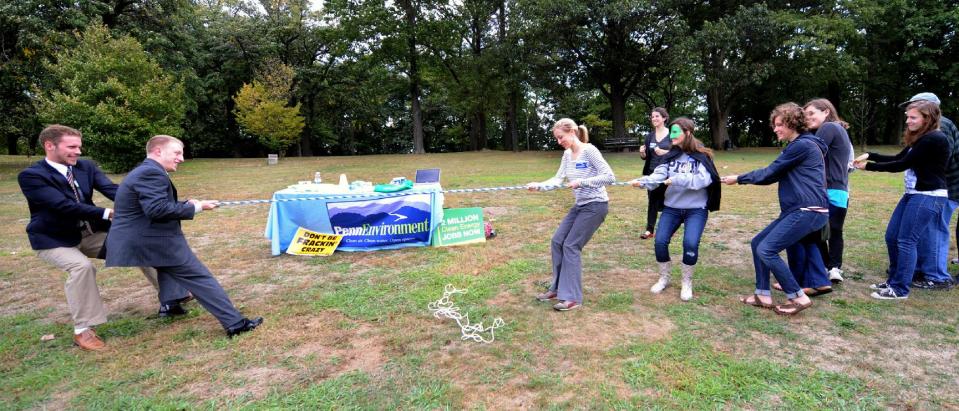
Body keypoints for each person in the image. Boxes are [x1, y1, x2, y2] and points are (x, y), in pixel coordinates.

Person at [17, 125, 188, 351]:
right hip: (53, 239)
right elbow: (61, 206)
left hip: (90, 233)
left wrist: (148, 200)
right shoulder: (31, 176)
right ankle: (83, 330)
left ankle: (171, 299)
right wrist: (107, 213)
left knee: (142, 245)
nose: (78, 151)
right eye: (72, 147)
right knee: (82, 268)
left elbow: (114, 190)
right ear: (50, 146)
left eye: (79, 146)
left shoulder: (86, 167)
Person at [105, 135, 263, 336]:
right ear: (158, 151)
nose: (181, 158)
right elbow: (156, 210)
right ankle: (235, 324)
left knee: (166, 267)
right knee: (200, 277)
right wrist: (196, 207)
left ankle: (169, 304)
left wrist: (187, 204)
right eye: (177, 153)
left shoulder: (147, 170)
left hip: (144, 237)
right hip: (151, 240)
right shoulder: (151, 173)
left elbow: (153, 205)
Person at [722, 103, 828, 316]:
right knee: (758, 243)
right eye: (775, 125)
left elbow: (770, 172)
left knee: (767, 249)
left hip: (808, 210)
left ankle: (798, 297)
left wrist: (739, 178)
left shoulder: (802, 146)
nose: (776, 129)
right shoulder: (798, 146)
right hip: (799, 209)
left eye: (780, 124)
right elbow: (773, 175)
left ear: (792, 123)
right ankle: (763, 294)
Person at [854, 100, 950, 300]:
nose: (908, 121)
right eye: (908, 117)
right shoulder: (921, 139)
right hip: (914, 194)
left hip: (929, 196)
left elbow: (901, 165)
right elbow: (898, 157)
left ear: (928, 118)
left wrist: (868, 167)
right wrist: (870, 155)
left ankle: (899, 289)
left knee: (907, 241)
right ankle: (894, 280)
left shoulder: (934, 139)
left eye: (913, 117)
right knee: (892, 237)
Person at [528, 118, 615, 311]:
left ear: (572, 132)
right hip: (580, 206)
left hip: (596, 206)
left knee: (571, 245)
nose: (559, 142)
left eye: (561, 137)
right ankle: (558, 288)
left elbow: (609, 177)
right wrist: (540, 186)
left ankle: (573, 297)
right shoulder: (567, 155)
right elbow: (558, 178)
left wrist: (582, 183)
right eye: (557, 139)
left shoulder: (589, 150)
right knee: (557, 241)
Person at [630, 117, 721, 301]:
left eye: (675, 132)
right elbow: (658, 176)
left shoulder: (701, 156)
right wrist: (643, 182)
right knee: (660, 242)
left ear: (687, 133)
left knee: (690, 244)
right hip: (672, 208)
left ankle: (687, 282)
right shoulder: (669, 155)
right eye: (671, 132)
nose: (671, 136)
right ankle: (664, 277)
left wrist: (678, 178)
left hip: (696, 209)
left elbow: (703, 180)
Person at [901, 93, 958, 290]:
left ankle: (937, 276)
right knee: (923, 230)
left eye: (915, 106)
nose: (910, 112)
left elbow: (944, 159)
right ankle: (920, 269)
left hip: (946, 188)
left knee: (935, 229)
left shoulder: (943, 126)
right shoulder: (926, 129)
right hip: (933, 187)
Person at [804, 98, 854, 283]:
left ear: (826, 112)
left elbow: (810, 151)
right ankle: (831, 267)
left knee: (824, 231)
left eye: (811, 113)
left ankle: (831, 267)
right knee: (829, 231)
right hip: (838, 189)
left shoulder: (829, 128)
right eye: (805, 115)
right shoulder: (837, 130)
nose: (807, 118)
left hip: (831, 190)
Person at [638, 108, 672, 240]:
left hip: (667, 173)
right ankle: (649, 230)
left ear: (664, 118)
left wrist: (664, 152)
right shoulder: (649, 136)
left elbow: (678, 153)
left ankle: (667, 228)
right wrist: (642, 153)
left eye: (657, 116)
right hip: (652, 173)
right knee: (652, 201)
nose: (654, 119)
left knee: (667, 202)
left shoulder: (672, 135)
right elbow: (646, 157)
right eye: (652, 117)